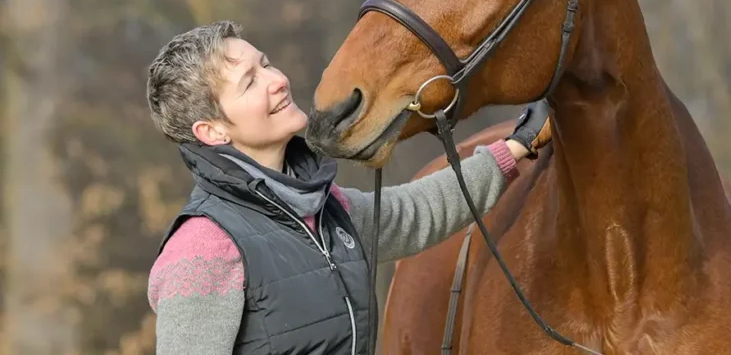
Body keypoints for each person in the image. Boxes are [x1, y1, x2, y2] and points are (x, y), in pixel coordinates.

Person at [145, 20, 551, 355]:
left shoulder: (322, 207)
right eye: (250, 82)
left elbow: (417, 212)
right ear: (211, 131)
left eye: (265, 64)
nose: (277, 80)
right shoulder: (204, 247)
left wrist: (516, 146)